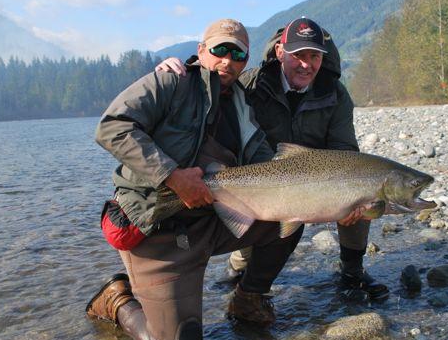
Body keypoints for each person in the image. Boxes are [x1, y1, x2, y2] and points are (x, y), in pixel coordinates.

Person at [86, 19, 307, 340]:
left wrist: (319, 198)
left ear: (245, 60)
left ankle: (248, 299)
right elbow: (112, 127)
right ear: (201, 51)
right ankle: (116, 299)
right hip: (158, 231)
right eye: (220, 50)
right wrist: (172, 176)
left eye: (237, 54)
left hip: (209, 223)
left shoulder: (243, 105)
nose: (227, 61)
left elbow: (265, 166)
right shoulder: (170, 81)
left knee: (290, 220)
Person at [156, 17, 389, 302]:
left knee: (361, 189)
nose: (306, 64)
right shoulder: (252, 83)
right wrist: (179, 68)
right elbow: (215, 79)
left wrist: (350, 197)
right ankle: (239, 267)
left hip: (320, 173)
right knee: (254, 205)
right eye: (298, 55)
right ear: (280, 52)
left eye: (314, 56)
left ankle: (352, 270)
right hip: (260, 173)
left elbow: (346, 153)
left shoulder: (335, 93)